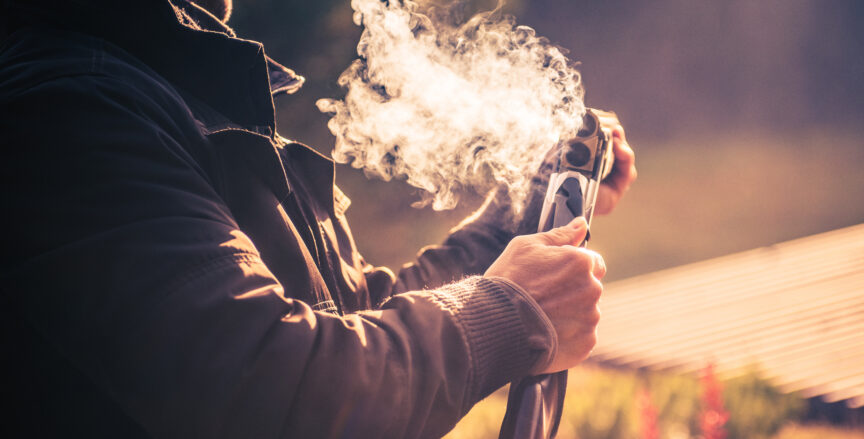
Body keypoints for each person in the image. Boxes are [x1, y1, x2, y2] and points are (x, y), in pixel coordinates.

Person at [0, 0, 636, 437]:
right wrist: (508, 312)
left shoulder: (162, 87)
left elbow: (351, 319)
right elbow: (272, 387)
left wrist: (525, 213)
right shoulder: (68, 108)